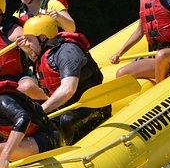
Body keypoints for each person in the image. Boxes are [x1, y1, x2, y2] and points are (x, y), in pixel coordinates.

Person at [16, 15, 110, 146]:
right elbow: (39, 60)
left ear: (43, 37)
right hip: (68, 106)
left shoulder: (67, 52)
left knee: (66, 120)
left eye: (29, 40)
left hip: (92, 105)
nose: (26, 44)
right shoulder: (46, 51)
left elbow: (68, 89)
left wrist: (40, 111)